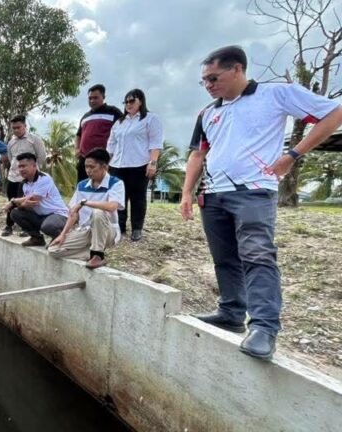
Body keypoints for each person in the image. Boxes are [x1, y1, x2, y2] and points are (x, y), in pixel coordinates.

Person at [181, 45, 342, 361]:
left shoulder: (275, 95)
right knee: (225, 257)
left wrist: (293, 155)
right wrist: (186, 193)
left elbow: (334, 113)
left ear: (237, 69)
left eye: (214, 77)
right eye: (204, 81)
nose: (209, 85)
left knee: (257, 255)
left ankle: (264, 327)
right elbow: (198, 154)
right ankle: (230, 312)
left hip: (253, 191)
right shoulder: (208, 113)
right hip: (213, 195)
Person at [48, 149, 125, 269]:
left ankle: (98, 255)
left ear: (104, 167)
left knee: (98, 213)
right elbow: (73, 213)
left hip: (107, 231)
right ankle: (90, 253)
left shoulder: (116, 183)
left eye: (92, 167)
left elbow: (112, 206)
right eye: (86, 167)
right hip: (86, 231)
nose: (88, 170)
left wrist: (85, 203)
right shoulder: (82, 185)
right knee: (53, 250)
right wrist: (63, 234)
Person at [106, 88, 163, 242]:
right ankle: (121, 226)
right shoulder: (119, 122)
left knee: (138, 198)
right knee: (119, 197)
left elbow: (155, 143)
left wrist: (152, 162)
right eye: (126, 101)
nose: (128, 104)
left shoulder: (150, 119)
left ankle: (137, 228)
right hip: (117, 165)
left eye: (132, 101)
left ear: (141, 102)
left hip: (139, 165)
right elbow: (111, 144)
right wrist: (106, 162)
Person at [4, 153, 68, 246]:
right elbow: (25, 204)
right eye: (19, 167)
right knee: (15, 213)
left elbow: (33, 198)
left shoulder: (44, 178)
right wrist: (22, 204)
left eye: (24, 166)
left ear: (34, 166)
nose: (21, 169)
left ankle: (61, 238)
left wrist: (13, 201)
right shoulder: (24, 184)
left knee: (48, 226)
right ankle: (37, 238)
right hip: (41, 216)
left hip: (58, 215)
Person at [2, 114, 48, 237]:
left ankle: (26, 228)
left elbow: (41, 157)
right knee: (11, 201)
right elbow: (12, 159)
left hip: (28, 179)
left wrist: (32, 171)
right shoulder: (11, 142)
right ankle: (9, 226)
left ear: (25, 126)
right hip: (13, 177)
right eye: (14, 128)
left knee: (26, 203)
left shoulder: (34, 140)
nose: (16, 130)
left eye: (18, 127)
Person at [75, 84, 124, 182]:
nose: (92, 100)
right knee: (82, 189)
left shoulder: (113, 112)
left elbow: (124, 131)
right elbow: (78, 135)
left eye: (95, 98)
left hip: (104, 160)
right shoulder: (85, 116)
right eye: (90, 98)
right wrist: (77, 149)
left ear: (103, 97)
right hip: (85, 160)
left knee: (102, 190)